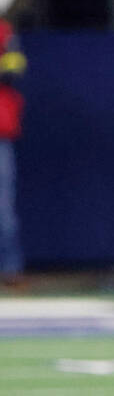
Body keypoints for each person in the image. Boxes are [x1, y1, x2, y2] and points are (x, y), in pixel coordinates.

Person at [0, 16, 23, 288]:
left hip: (1, 133)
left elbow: (14, 70)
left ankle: (10, 270)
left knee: (3, 208)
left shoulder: (5, 31)